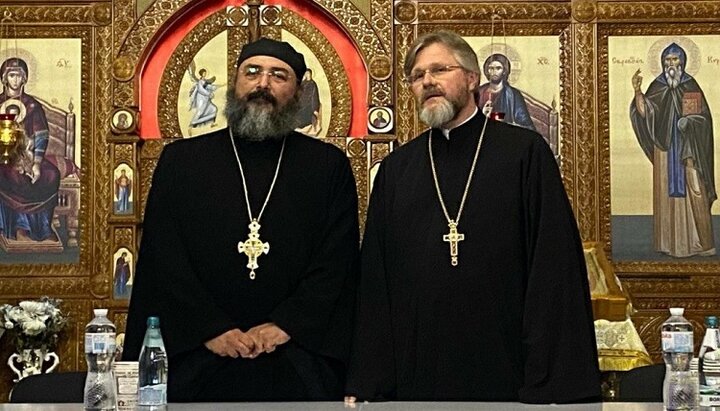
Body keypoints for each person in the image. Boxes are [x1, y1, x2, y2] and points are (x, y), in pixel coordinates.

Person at [346, 31, 600, 404]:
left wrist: (549, 380)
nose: (427, 81)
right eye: (417, 76)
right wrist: (369, 376)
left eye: (439, 69)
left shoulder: (524, 153)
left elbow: (553, 269)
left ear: (471, 78)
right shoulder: (398, 169)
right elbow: (376, 279)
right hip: (418, 369)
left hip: (507, 362)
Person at [123, 37, 360, 402]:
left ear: (297, 93)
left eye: (278, 75)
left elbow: (337, 260)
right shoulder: (182, 162)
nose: (262, 84)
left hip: (295, 354)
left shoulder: (327, 166)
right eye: (252, 72)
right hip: (198, 353)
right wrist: (210, 328)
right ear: (235, 84)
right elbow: (164, 255)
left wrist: (286, 325)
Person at [630, 42, 715, 258]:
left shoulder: (690, 85)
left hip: (690, 150)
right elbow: (645, 113)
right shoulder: (658, 86)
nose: (671, 64)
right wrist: (638, 91)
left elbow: (704, 118)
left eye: (675, 60)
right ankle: (668, 243)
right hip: (665, 151)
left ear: (683, 62)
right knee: (665, 193)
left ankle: (701, 243)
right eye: (668, 60)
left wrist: (690, 122)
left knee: (695, 188)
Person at [0, 57, 61, 243]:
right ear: (4, 78)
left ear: (25, 78)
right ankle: (20, 227)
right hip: (5, 156)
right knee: (15, 176)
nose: (15, 80)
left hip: (28, 155)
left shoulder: (32, 106)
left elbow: (41, 135)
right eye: (11, 75)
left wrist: (36, 163)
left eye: (19, 76)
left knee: (51, 175)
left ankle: (43, 227)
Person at [476, 53, 536, 131]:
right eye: (491, 68)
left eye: (498, 68)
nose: (494, 72)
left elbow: (527, 127)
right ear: (487, 70)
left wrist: (504, 123)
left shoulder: (513, 95)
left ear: (504, 71)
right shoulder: (478, 93)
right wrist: (483, 116)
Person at [187, 67, 219, 134]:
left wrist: (219, 86)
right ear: (201, 74)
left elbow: (209, 87)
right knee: (199, 112)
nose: (205, 74)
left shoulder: (205, 81)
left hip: (206, 100)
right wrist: (209, 93)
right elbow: (201, 90)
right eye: (204, 73)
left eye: (205, 73)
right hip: (201, 99)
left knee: (214, 109)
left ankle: (211, 124)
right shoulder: (200, 82)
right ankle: (191, 126)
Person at [295, 68, 322, 136]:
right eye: (306, 73)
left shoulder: (312, 84)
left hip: (309, 105)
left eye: (308, 74)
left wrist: (315, 109)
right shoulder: (303, 83)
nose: (307, 75)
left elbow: (314, 96)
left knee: (304, 114)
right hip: (301, 103)